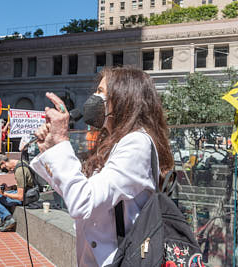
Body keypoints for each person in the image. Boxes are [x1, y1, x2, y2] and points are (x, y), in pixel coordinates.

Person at [30, 67, 174, 266]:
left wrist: (62, 140)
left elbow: (83, 202)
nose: (93, 97)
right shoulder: (113, 142)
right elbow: (75, 194)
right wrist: (50, 149)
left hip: (120, 260)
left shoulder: (137, 143)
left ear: (124, 97)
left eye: (100, 91)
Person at [0, 154, 35, 232]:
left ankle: (8, 219)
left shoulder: (20, 171)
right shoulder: (21, 163)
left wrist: (4, 194)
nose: (3, 170)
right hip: (29, 191)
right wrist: (9, 188)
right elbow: (23, 184)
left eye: (1, 168)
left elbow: (20, 196)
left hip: (28, 197)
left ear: (3, 163)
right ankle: (4, 218)